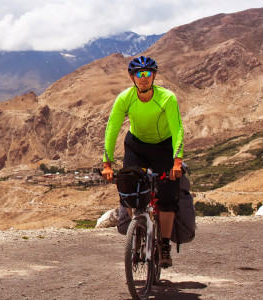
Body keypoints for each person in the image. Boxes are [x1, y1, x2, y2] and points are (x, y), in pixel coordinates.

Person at [101, 56, 184, 268]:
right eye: (139, 74)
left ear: (154, 76)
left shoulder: (167, 98)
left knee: (167, 195)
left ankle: (164, 244)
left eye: (147, 74)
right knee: (128, 185)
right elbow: (112, 129)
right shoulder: (124, 98)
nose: (143, 78)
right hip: (136, 146)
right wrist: (107, 163)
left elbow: (177, 130)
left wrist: (177, 162)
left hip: (163, 148)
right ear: (132, 78)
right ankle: (136, 230)